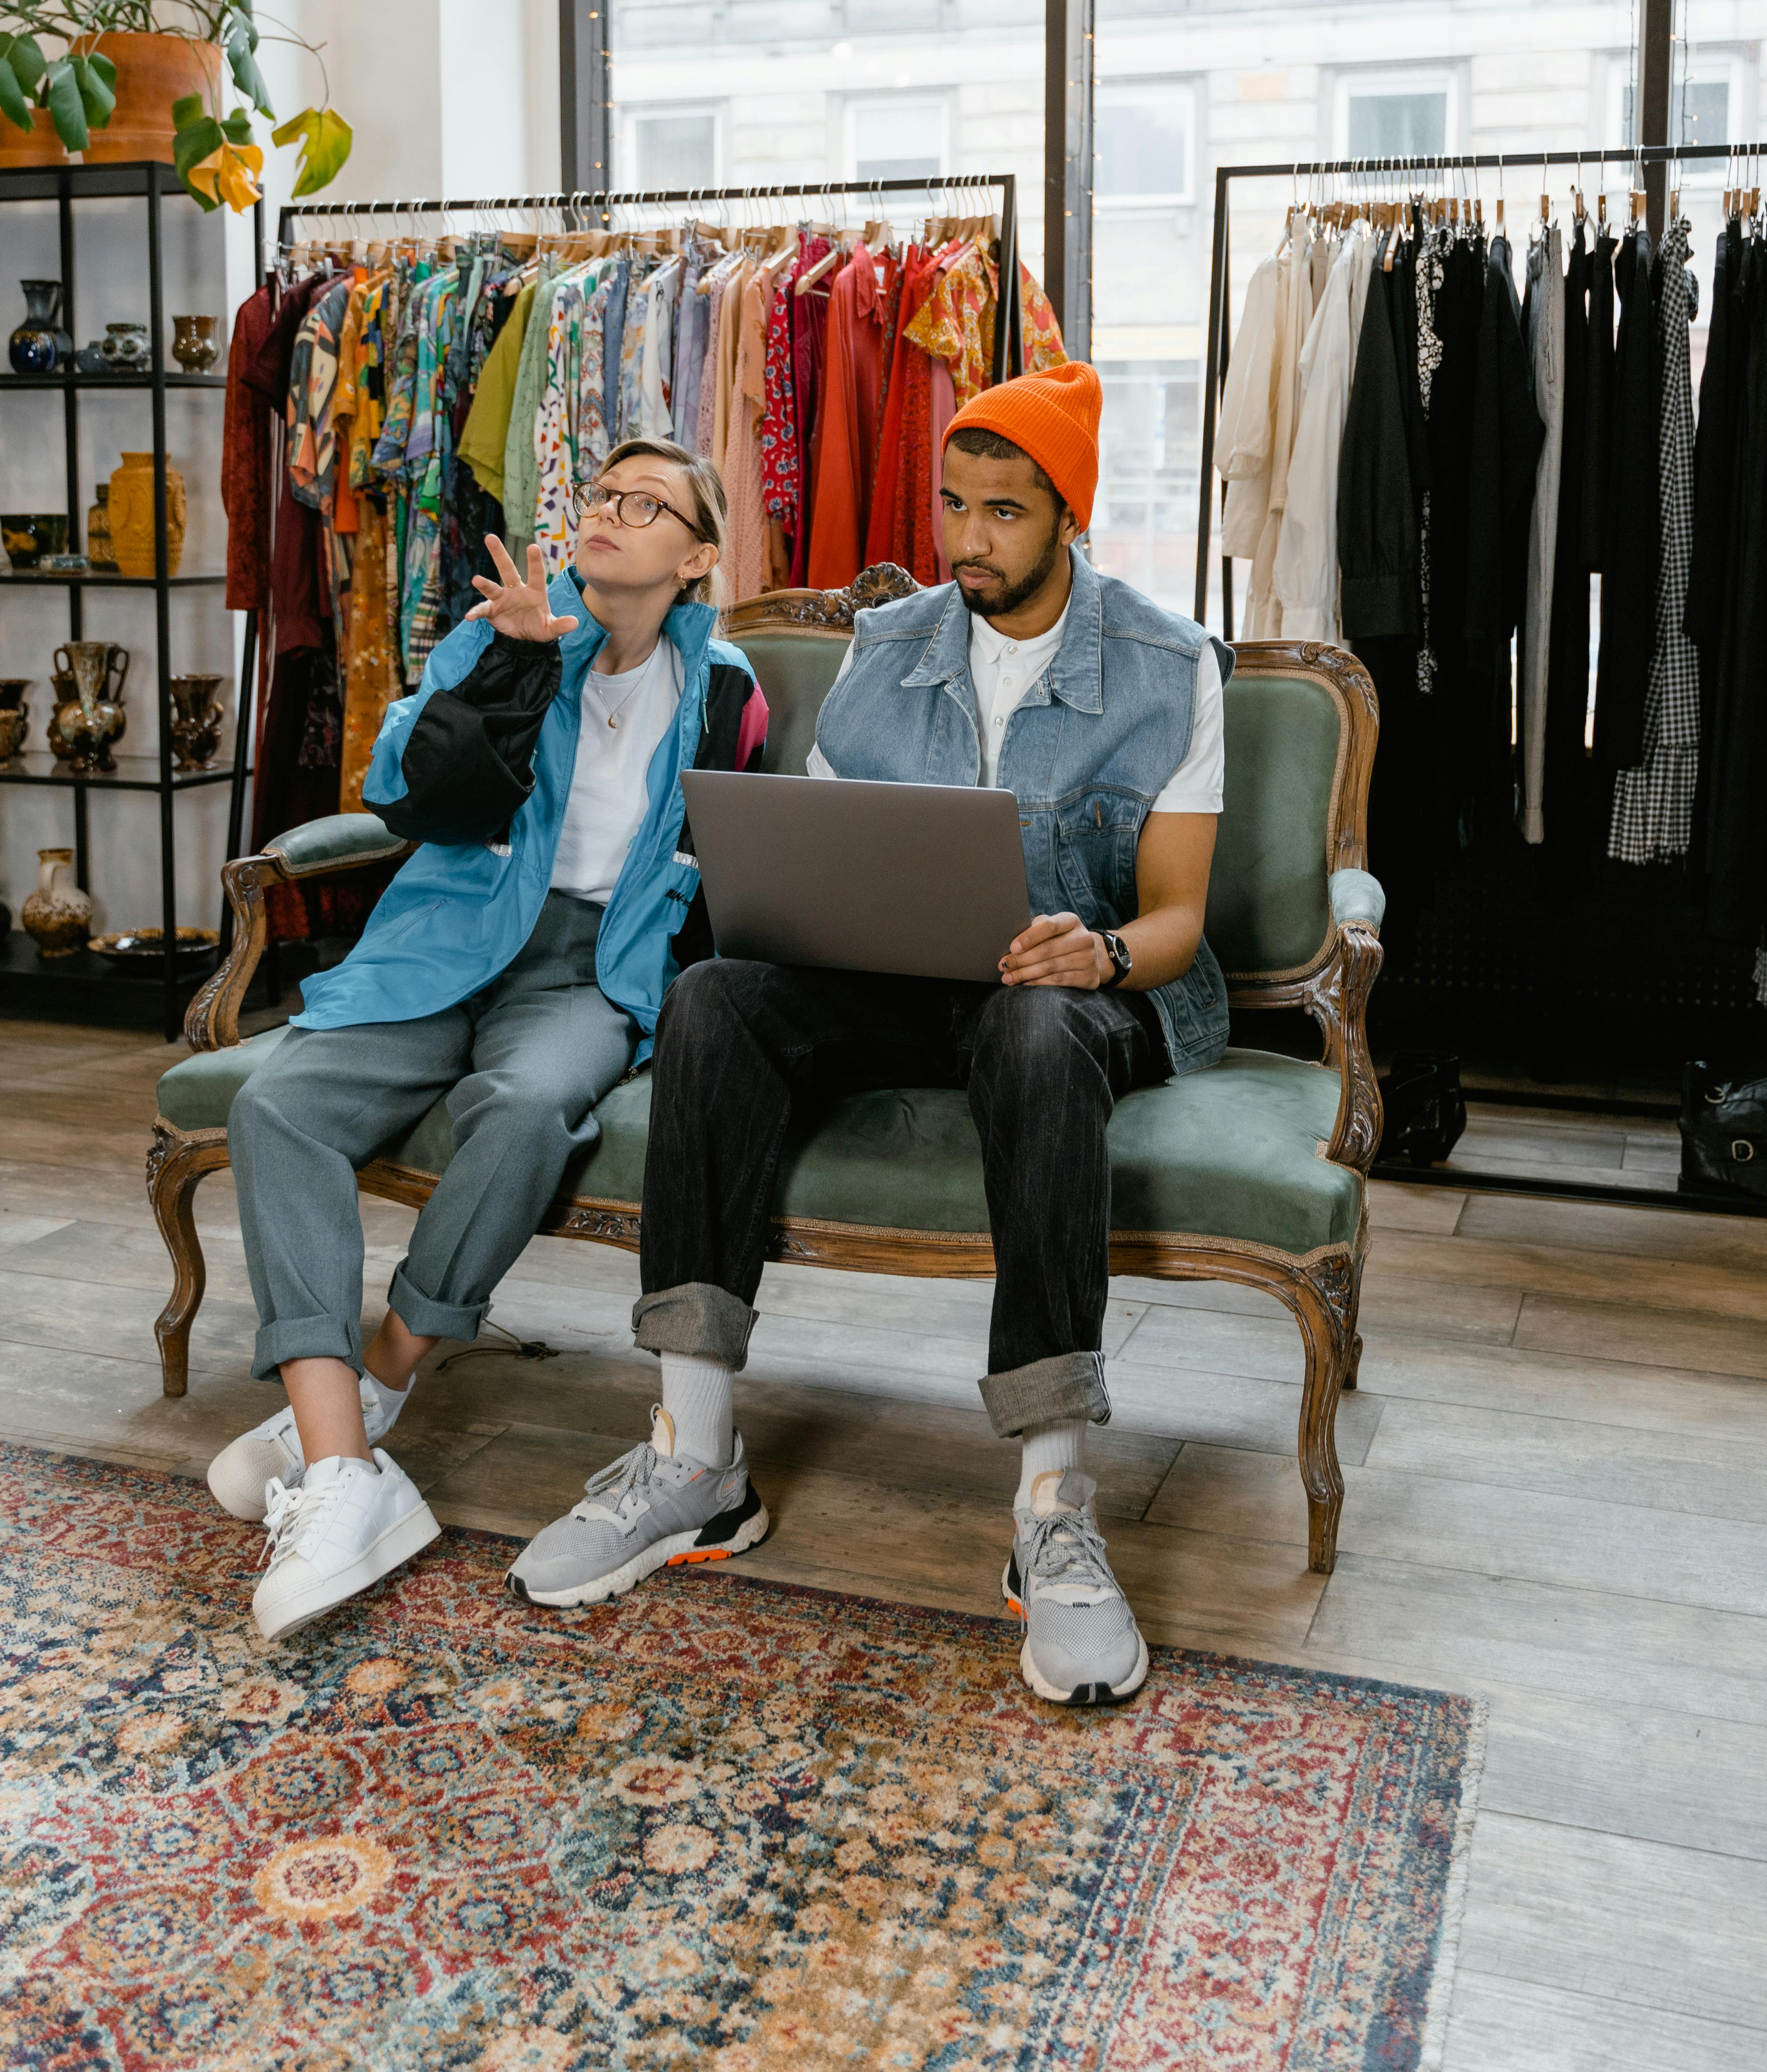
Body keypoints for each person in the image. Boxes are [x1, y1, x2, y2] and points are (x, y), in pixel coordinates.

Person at [510, 363, 1231, 1708]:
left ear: (1066, 513)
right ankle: (694, 1460)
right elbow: (831, 856)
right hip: (902, 979)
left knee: (1036, 1029)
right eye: (952, 506)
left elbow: (1181, 916)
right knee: (716, 996)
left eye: (1003, 513)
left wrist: (1102, 950)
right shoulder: (888, 642)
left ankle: (1051, 1505)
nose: (967, 541)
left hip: (1082, 994)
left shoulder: (1165, 662)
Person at [213, 437, 768, 1643]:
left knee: (523, 1107)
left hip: (594, 968)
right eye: (602, 493)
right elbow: (414, 797)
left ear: (700, 554)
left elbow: (740, 867)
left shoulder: (726, 689)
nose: (610, 514)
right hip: (451, 938)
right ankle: (344, 1463)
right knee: (276, 1104)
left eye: (646, 503)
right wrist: (513, 667)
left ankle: (381, 1385)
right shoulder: (503, 628)